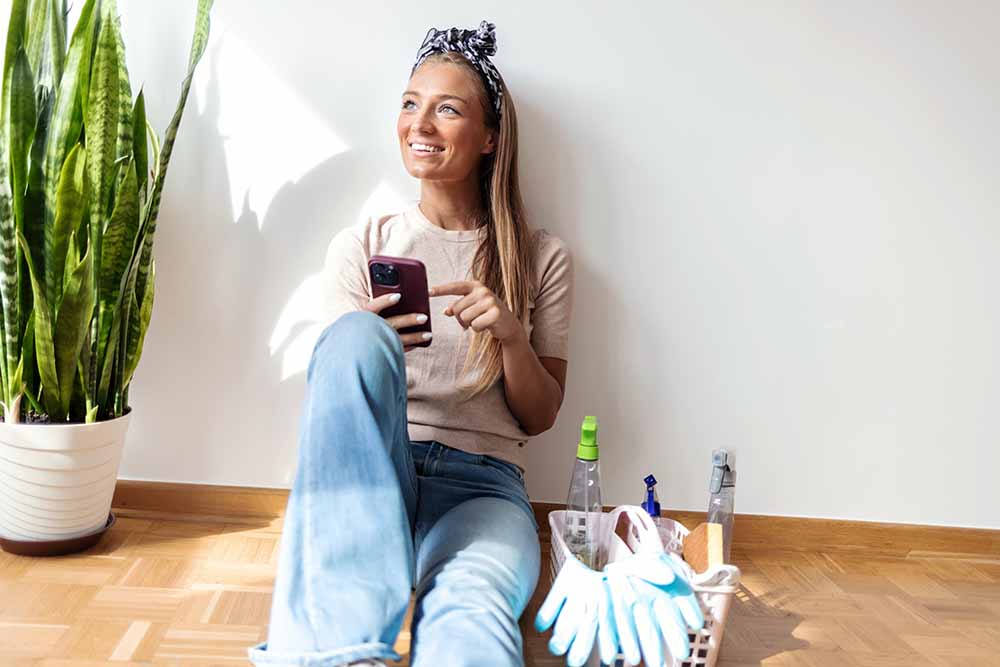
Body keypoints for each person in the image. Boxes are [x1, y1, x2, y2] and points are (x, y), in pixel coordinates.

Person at [250, 21, 574, 667]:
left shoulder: (541, 257)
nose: (419, 124)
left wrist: (511, 334)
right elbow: (335, 415)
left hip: (484, 490)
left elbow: (540, 416)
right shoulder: (362, 242)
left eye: (446, 108)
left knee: (469, 606)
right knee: (350, 339)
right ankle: (341, 652)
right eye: (409, 103)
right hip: (376, 476)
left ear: (489, 138)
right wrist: (368, 338)